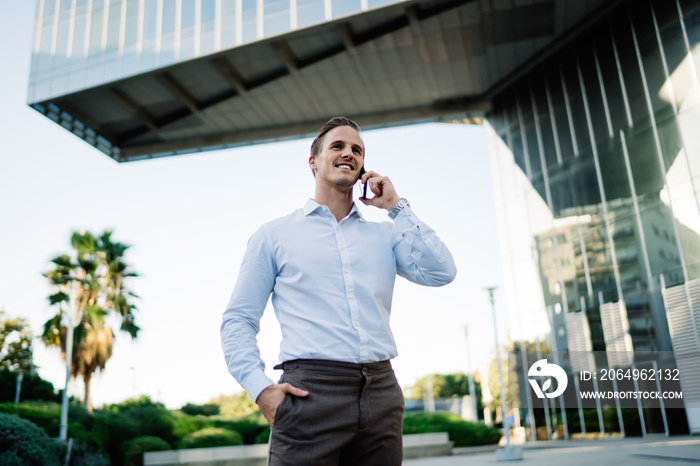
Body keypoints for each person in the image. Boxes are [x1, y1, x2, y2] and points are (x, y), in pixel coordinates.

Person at [220, 116, 456, 465]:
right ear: (313, 161)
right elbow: (237, 321)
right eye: (338, 146)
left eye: (357, 150)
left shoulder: (385, 235)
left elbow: (442, 272)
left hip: (381, 393)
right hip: (309, 394)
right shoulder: (274, 235)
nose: (350, 153)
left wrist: (396, 207)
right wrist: (262, 390)